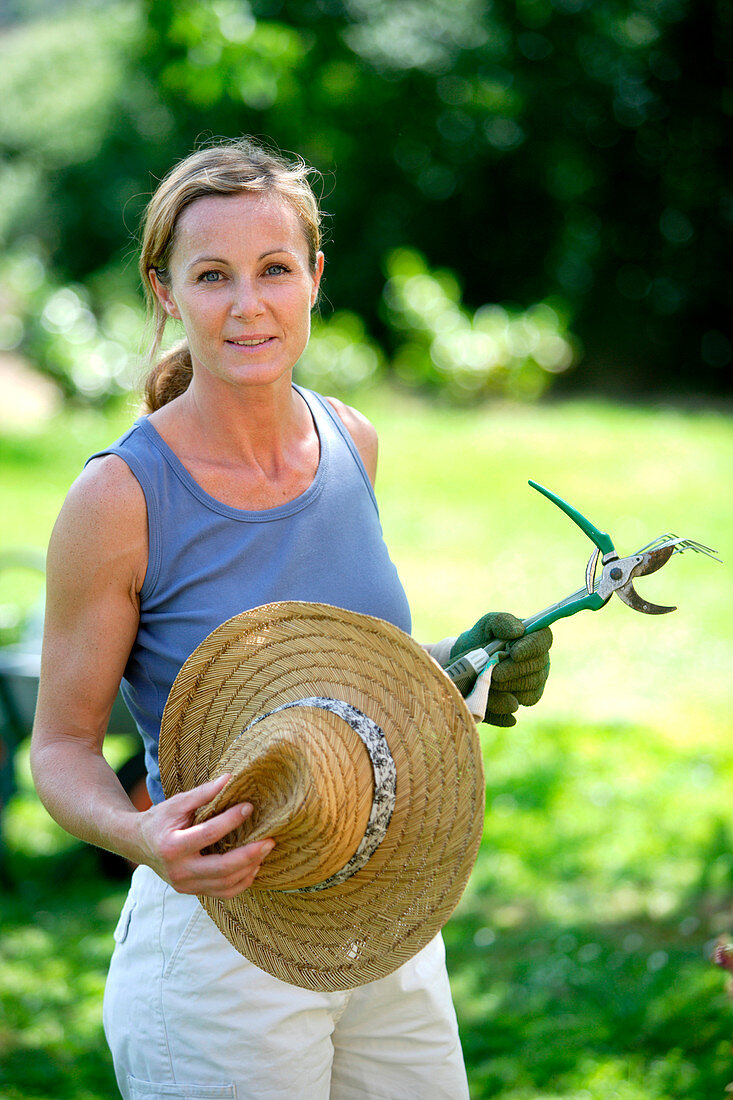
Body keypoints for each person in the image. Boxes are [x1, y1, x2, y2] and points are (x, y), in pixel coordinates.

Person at [30, 137, 552, 1099]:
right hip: (217, 940)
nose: (248, 305)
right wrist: (143, 838)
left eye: (274, 269)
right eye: (212, 276)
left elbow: (329, 677)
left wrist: (454, 666)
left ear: (314, 276)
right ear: (165, 291)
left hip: (383, 913)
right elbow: (59, 748)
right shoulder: (119, 499)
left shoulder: (352, 439)